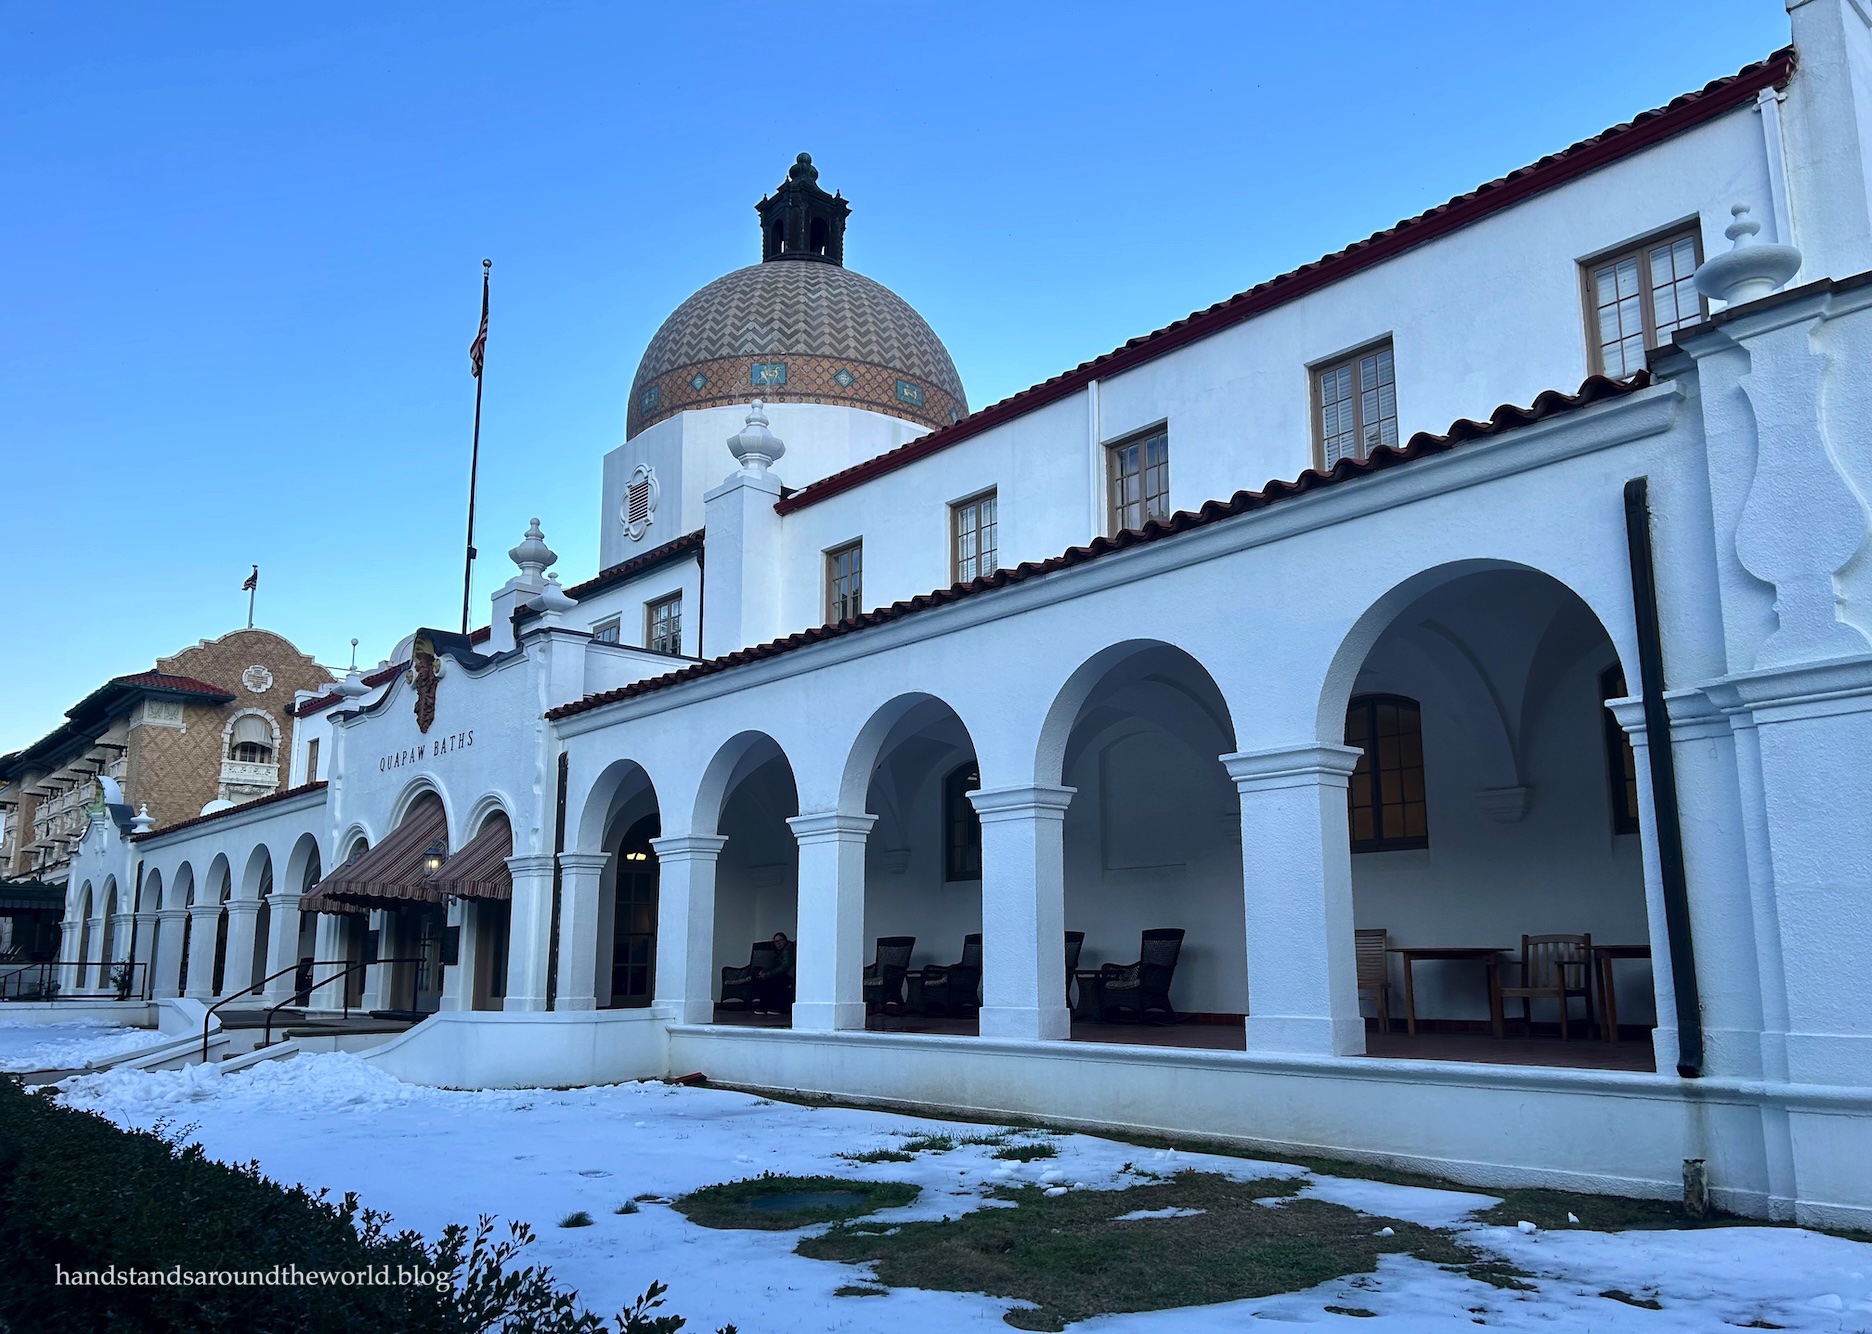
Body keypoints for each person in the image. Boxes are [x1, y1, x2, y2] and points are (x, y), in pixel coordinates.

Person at [752, 931, 795, 1017]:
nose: (778, 943)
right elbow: (774, 964)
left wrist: (767, 974)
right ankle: (765, 1006)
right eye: (776, 941)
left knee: (775, 981)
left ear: (785, 940)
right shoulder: (779, 952)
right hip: (781, 973)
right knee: (763, 980)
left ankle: (778, 1008)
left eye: (780, 940)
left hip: (789, 975)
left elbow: (784, 967)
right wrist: (764, 971)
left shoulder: (787, 950)